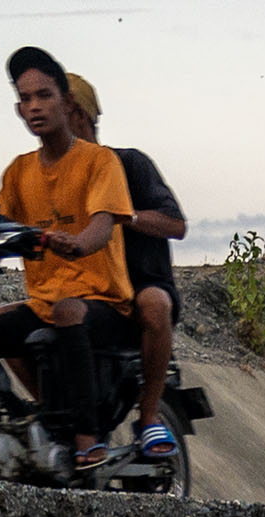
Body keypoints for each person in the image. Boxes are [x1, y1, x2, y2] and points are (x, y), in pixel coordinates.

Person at [0, 47, 132, 475]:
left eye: (44, 95)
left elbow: (103, 223)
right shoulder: (19, 172)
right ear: (18, 109)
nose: (34, 106)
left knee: (68, 310)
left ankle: (88, 440)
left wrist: (78, 244)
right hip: (45, 304)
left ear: (67, 102)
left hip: (104, 302)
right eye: (26, 98)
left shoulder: (100, 161)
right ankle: (31, 419)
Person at [82, 105, 187, 462]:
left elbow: (176, 224)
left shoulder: (130, 164)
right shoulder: (46, 175)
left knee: (155, 304)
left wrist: (124, 216)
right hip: (89, 291)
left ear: (79, 114)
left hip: (140, 284)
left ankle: (149, 417)